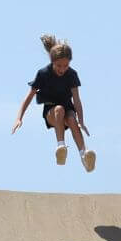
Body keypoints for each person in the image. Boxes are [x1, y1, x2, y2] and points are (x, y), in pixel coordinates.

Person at [11, 34, 94, 171]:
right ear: (52, 61)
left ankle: (85, 156)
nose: (62, 69)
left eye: (66, 65)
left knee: (72, 120)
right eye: (59, 65)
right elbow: (29, 96)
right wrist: (19, 118)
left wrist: (82, 121)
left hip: (68, 108)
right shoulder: (43, 73)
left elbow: (77, 100)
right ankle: (61, 147)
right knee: (59, 109)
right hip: (51, 111)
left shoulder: (72, 75)